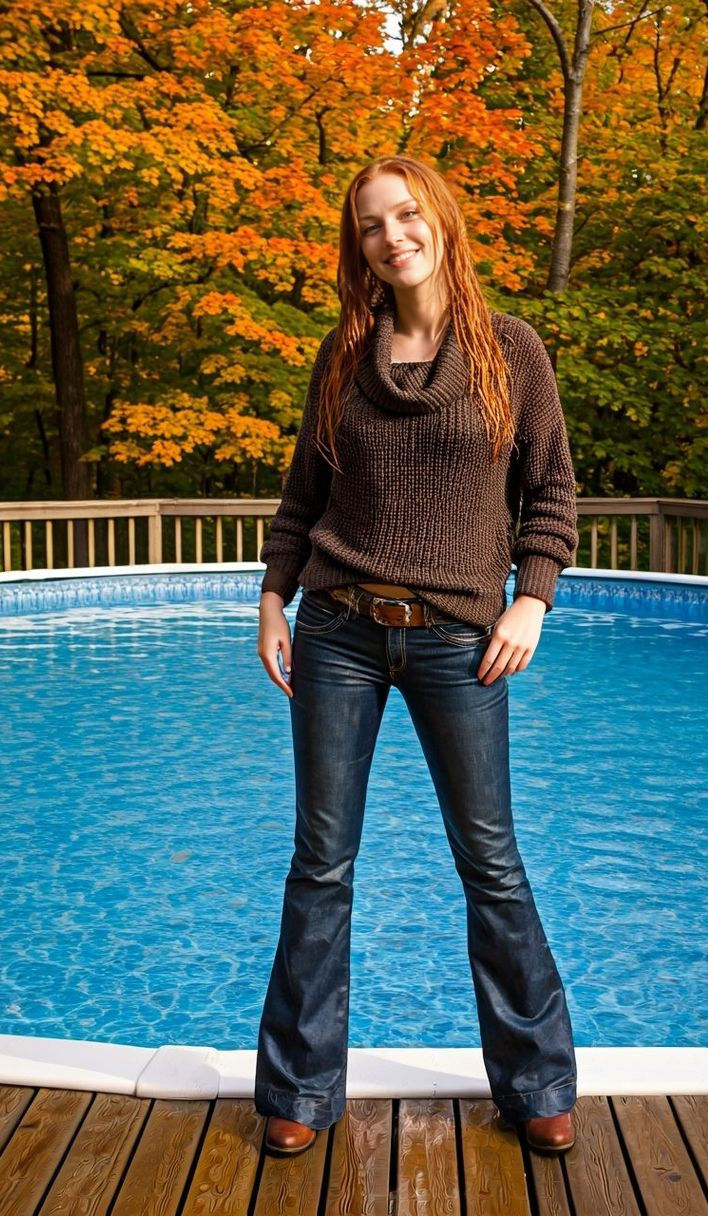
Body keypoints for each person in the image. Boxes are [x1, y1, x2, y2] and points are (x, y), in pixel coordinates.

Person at [254, 154, 580, 1159]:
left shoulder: (510, 350)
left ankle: (536, 1081)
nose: (390, 236)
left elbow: (552, 492)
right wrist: (271, 600)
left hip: (458, 644)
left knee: (491, 861)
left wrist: (531, 600)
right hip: (338, 631)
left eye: (404, 215)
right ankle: (300, 1089)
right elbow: (303, 496)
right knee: (321, 863)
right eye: (370, 225)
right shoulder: (343, 356)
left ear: (438, 219)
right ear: (357, 247)